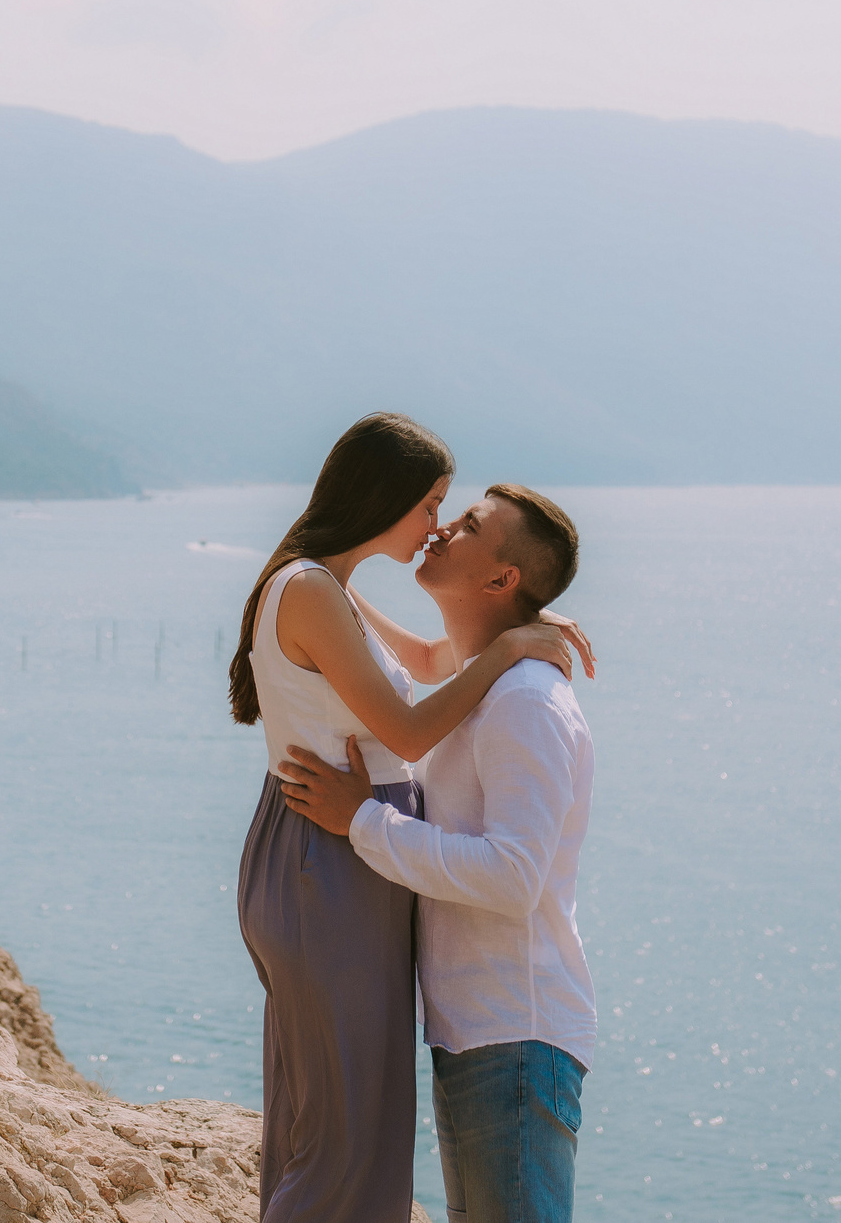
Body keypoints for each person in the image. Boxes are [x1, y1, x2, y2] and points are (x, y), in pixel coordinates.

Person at [232, 415, 586, 1223]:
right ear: (385, 496)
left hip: (335, 854)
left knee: (321, 1128)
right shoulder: (313, 588)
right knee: (346, 1147)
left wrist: (528, 623)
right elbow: (409, 728)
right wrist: (508, 651)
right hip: (334, 853)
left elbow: (430, 663)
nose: (434, 528)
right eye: (432, 505)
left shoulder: (326, 586)